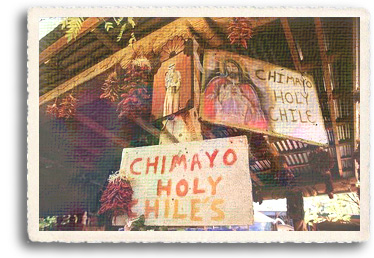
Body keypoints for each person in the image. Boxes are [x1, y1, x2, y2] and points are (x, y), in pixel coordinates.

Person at [203, 59, 267, 129]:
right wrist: (221, 97)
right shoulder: (218, 82)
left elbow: (257, 113)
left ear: (239, 68)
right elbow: (206, 103)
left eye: (233, 67)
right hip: (218, 125)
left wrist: (243, 99)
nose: (231, 69)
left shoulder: (248, 89)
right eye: (228, 67)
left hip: (240, 126)